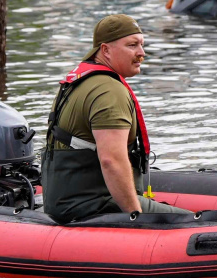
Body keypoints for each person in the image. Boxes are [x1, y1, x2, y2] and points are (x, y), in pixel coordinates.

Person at [41, 14, 190, 223]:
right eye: (132, 45)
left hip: (66, 203)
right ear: (106, 50)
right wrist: (137, 217)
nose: (142, 53)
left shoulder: (81, 81)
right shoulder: (109, 91)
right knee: (195, 223)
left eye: (141, 45)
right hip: (93, 204)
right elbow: (111, 161)